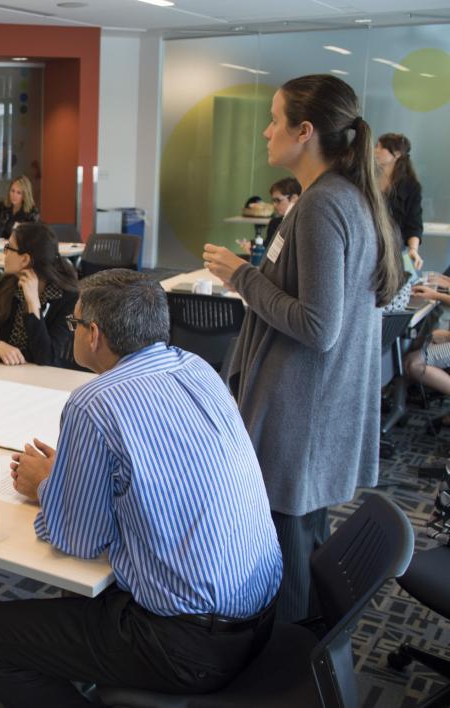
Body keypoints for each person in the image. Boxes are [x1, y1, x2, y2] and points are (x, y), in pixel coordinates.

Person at [0, 270, 282, 707]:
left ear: (93, 335)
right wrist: (72, 473)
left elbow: (79, 540)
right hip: (263, 615)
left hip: (188, 645)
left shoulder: (96, 402)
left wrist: (49, 485)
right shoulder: (198, 368)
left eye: (73, 324)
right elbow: (161, 469)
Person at [203, 74, 402, 623]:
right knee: (303, 549)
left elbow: (318, 325)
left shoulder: (321, 206)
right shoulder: (341, 198)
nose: (267, 131)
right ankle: (307, 663)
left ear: (305, 131)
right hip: (313, 413)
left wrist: (241, 274)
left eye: (274, 119)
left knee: (285, 571)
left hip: (300, 417)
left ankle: (288, 678)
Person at [0, 223, 78, 367]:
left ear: (25, 259)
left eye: (9, 248)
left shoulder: (70, 299)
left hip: (50, 378)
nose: (4, 253)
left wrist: (33, 304)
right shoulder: (4, 285)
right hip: (7, 372)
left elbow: (47, 358)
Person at [376, 133, 424, 271]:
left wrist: (413, 249)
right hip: (367, 248)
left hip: (393, 253)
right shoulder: (367, 179)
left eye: (380, 147)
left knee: (402, 284)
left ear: (396, 154)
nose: (375, 151)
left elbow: (414, 223)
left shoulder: (410, 187)